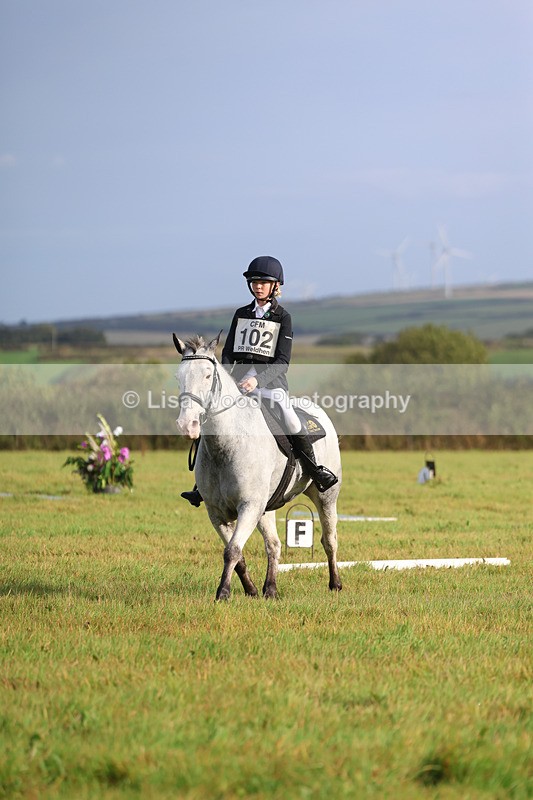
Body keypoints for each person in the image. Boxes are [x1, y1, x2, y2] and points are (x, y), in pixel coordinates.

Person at [181, 256, 338, 506]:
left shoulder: (282, 317)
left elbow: (282, 361)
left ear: (276, 286)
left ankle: (314, 469)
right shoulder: (241, 314)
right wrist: (231, 378)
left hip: (271, 387)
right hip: (239, 388)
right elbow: (229, 351)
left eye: (264, 282)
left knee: (290, 418)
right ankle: (201, 485)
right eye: (254, 282)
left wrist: (258, 381)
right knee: (211, 417)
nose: (258, 286)